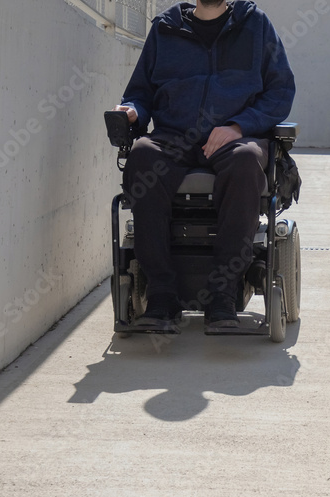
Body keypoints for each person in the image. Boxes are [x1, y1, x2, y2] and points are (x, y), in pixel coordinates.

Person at [114, 0, 295, 329]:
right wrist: (132, 111)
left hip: (235, 137)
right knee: (143, 154)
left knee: (246, 160)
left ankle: (223, 293)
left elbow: (280, 91)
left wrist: (238, 126)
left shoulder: (255, 27)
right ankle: (162, 295)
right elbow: (140, 92)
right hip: (174, 136)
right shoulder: (165, 29)